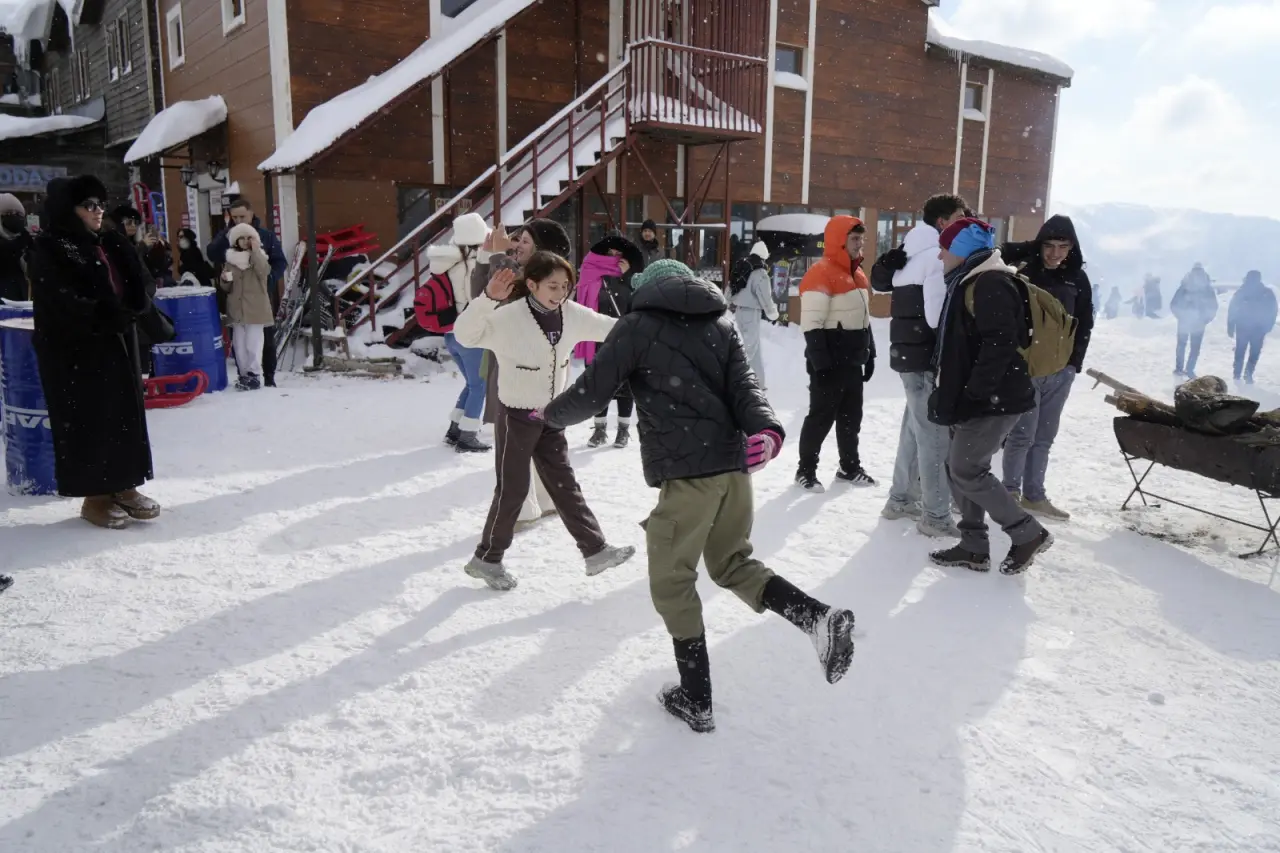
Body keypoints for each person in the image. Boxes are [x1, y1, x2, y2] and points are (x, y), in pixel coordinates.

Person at [540, 258, 855, 732]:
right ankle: (816, 618)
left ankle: (696, 698)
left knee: (672, 584)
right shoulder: (721, 323)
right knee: (732, 565)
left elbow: (591, 393)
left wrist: (546, 416)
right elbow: (747, 389)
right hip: (733, 472)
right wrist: (768, 431)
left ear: (648, 289)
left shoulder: (635, 326)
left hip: (689, 477)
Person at [452, 251, 636, 591]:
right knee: (513, 490)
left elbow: (613, 328)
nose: (561, 292)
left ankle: (595, 551)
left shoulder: (571, 314)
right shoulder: (508, 318)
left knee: (565, 486)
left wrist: (651, 321)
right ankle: (487, 560)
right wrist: (488, 299)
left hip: (552, 417)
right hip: (517, 416)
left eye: (566, 286)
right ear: (533, 284)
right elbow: (465, 335)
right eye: (553, 286)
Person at [27, 175, 160, 529]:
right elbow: (60, 301)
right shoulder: (52, 247)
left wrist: (134, 297)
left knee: (123, 416)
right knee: (89, 420)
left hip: (114, 342)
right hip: (75, 352)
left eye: (101, 204)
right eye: (88, 205)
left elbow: (134, 284)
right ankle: (96, 497)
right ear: (68, 209)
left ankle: (126, 484)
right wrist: (102, 314)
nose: (98, 211)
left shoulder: (107, 241)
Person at [927, 217, 1053, 576]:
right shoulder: (970, 279)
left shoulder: (990, 283)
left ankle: (1027, 533)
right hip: (975, 396)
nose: (940, 256)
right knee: (957, 467)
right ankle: (973, 546)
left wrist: (973, 395)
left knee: (968, 469)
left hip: (993, 399)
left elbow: (999, 345)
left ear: (962, 249)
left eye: (944, 248)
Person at [871, 193, 968, 537]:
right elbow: (935, 317)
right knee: (934, 439)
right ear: (942, 221)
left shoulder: (909, 254)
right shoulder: (936, 258)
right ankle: (936, 516)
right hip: (926, 359)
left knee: (914, 431)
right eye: (959, 216)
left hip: (908, 355)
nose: (965, 221)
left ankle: (900, 499)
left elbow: (882, 284)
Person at [471, 218, 575, 527]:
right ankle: (546, 498)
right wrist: (487, 256)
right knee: (541, 440)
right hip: (536, 373)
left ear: (542, 249)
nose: (516, 245)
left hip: (522, 375)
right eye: (517, 239)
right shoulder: (538, 277)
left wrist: (498, 257)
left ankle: (523, 509)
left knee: (513, 444)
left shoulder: (538, 282)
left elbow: (500, 304)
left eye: (524, 241)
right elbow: (482, 298)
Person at [999, 215, 1094, 521]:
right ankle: (1009, 493)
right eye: (1049, 245)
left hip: (1060, 372)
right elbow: (998, 252)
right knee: (1021, 435)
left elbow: (1085, 322)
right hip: (1027, 370)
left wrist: (1073, 364)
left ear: (1072, 247)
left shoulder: (1077, 279)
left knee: (1044, 437)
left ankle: (1034, 496)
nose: (1055, 253)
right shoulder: (1023, 271)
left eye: (1062, 247)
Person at [795, 215, 877, 492]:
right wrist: (821, 364)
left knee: (851, 418)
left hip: (852, 361)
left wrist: (870, 352)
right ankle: (805, 471)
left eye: (861, 239)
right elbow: (811, 324)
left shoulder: (858, 273)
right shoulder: (820, 273)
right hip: (829, 362)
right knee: (820, 418)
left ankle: (849, 468)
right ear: (838, 240)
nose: (859, 244)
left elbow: (863, 318)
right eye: (854, 239)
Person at [208, 198, 288, 387]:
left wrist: (268, 280)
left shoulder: (265, 236)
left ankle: (268, 376)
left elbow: (279, 261)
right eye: (234, 217)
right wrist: (225, 234)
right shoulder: (229, 236)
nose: (238, 220)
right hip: (236, 296)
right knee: (240, 341)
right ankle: (244, 375)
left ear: (251, 214)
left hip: (259, 296)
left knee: (263, 340)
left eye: (242, 216)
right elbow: (212, 253)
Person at [578, 234, 644, 448]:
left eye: (619, 253)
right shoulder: (591, 271)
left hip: (625, 335)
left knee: (625, 384)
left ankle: (623, 430)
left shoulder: (635, 277)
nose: (614, 257)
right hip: (597, 335)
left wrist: (626, 276)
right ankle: (599, 430)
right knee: (599, 383)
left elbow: (638, 301)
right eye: (610, 253)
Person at [433, 211, 491, 452]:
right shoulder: (471, 266)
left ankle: (454, 430)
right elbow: (474, 299)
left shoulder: (448, 263)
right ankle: (468, 436)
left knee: (471, 384)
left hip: (451, 335)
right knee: (479, 386)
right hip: (470, 335)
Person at [218, 223, 274, 391]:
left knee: (253, 343)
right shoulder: (230, 261)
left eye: (248, 237)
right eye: (241, 238)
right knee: (239, 345)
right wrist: (224, 280)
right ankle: (243, 374)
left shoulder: (259, 257)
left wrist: (255, 251)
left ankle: (254, 374)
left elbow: (264, 271)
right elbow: (227, 288)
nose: (245, 241)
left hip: (256, 308)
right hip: (236, 309)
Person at [729, 240, 779, 391]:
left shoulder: (742, 266)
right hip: (751, 313)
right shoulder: (759, 271)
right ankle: (737, 381)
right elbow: (765, 296)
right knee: (748, 350)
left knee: (754, 350)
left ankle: (758, 383)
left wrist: (725, 303)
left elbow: (731, 287)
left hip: (739, 311)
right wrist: (772, 313)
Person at [1228, 271, 1277, 384]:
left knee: (1240, 350)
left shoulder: (1242, 291)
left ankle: (1237, 373)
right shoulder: (1266, 292)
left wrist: (1230, 326)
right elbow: (1273, 310)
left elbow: (1232, 309)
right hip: (1257, 328)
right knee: (1254, 352)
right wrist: (1268, 325)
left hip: (1244, 326)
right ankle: (1248, 373)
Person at [1171, 262, 1219, 378]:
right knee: (1195, 347)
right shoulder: (1207, 288)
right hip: (1198, 322)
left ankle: (1179, 368)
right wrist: (1205, 319)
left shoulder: (1185, 285)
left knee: (1181, 345)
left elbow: (1174, 303)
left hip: (1184, 321)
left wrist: (1180, 316)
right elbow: (1213, 306)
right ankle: (1190, 369)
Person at [0, 193, 32, 302]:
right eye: (9, 213)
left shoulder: (24, 238)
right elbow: (6, 255)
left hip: (20, 298)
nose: (14, 217)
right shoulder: (21, 241)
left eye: (18, 214)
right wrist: (22, 242)